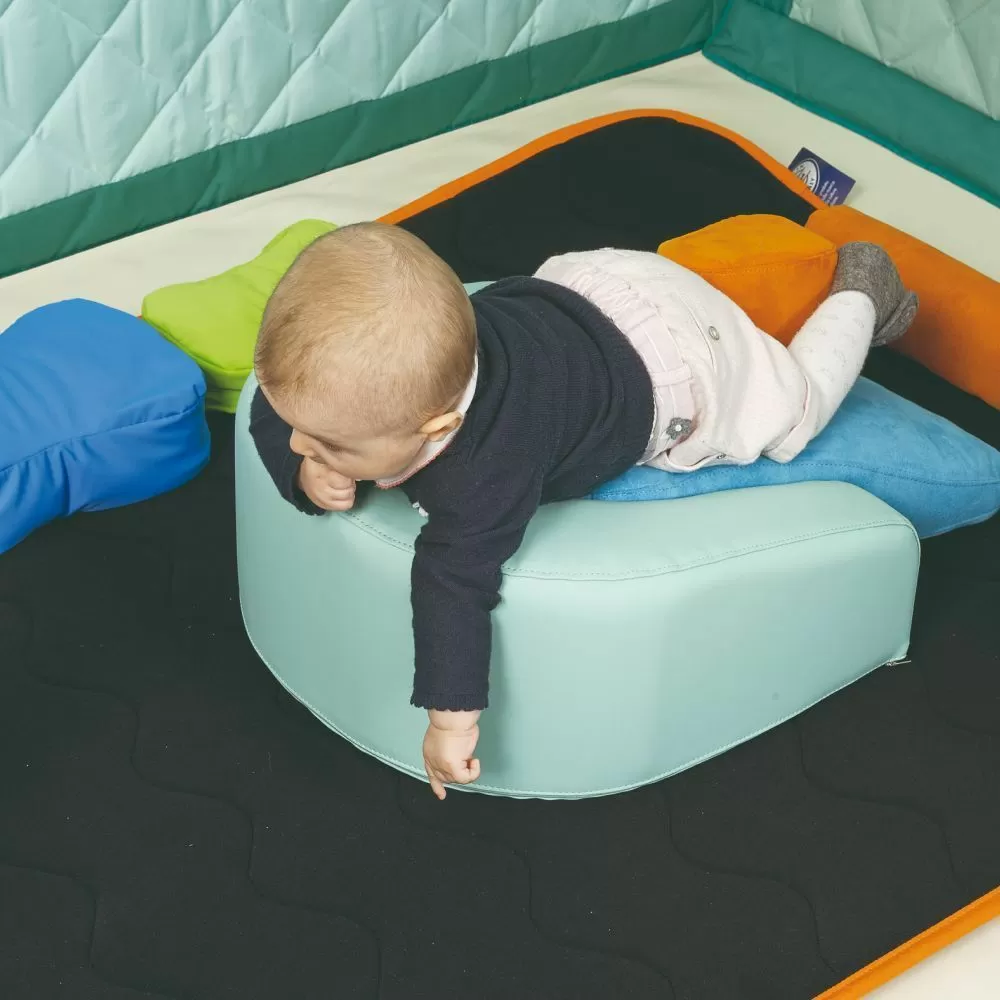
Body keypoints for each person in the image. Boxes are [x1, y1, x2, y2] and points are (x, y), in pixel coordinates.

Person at [249, 222, 918, 799]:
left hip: (678, 366)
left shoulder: (485, 469)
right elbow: (269, 407)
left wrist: (450, 720)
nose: (301, 443)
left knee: (793, 414)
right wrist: (302, 470)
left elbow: (453, 582)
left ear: (436, 428)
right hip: (595, 284)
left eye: (329, 445)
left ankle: (862, 289)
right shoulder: (380, 387)